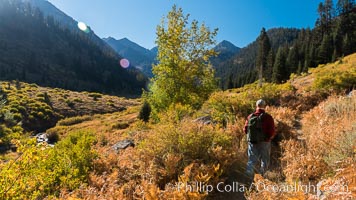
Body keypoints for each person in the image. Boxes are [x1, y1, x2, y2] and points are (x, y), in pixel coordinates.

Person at [244, 99, 275, 180]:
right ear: (265, 106)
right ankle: (262, 177)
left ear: (256, 106)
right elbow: (272, 131)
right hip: (264, 142)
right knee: (264, 160)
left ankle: (248, 177)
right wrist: (268, 138)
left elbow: (245, 130)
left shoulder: (250, 116)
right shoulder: (268, 117)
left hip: (252, 141)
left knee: (251, 160)